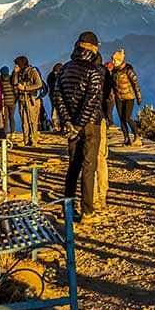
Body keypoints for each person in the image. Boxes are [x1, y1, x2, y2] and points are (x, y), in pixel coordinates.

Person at [58, 32, 108, 216]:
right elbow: (92, 100)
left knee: (73, 166)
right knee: (89, 167)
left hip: (70, 125)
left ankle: (68, 208)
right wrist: (79, 124)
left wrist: (68, 122)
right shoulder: (94, 72)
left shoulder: (64, 69)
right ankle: (87, 211)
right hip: (90, 125)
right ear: (94, 49)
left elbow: (58, 97)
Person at [109, 49, 142, 145]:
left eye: (116, 60)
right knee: (121, 119)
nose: (114, 62)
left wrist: (138, 97)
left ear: (121, 60)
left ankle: (137, 137)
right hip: (119, 97)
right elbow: (112, 85)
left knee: (127, 117)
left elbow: (135, 84)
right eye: (113, 60)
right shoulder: (114, 71)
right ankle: (126, 139)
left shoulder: (128, 70)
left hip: (129, 97)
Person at [12, 56, 44, 146]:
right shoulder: (19, 73)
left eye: (17, 64)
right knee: (24, 121)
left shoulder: (32, 71)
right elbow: (14, 84)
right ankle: (26, 140)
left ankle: (33, 140)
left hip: (31, 99)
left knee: (32, 120)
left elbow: (39, 84)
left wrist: (25, 88)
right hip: (22, 99)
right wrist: (15, 73)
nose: (16, 66)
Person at [0, 65, 18, 138]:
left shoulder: (0, 80)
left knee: (5, 118)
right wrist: (16, 99)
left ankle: (6, 132)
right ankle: (13, 132)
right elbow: (15, 90)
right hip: (12, 102)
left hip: (5, 102)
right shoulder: (11, 79)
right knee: (12, 117)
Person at [46, 62, 64, 131]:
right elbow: (51, 87)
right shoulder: (51, 77)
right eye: (55, 72)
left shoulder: (62, 75)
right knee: (55, 111)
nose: (55, 73)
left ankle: (61, 126)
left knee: (60, 111)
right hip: (54, 96)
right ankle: (56, 127)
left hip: (59, 96)